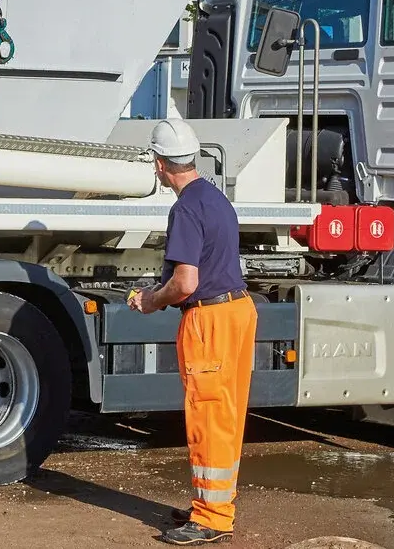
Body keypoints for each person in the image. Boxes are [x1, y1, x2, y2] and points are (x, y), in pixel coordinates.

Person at [129, 119, 257, 546]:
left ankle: (212, 517)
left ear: (159, 164)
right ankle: (215, 504)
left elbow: (185, 282)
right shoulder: (216, 198)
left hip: (209, 320)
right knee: (227, 415)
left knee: (209, 416)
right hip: (237, 310)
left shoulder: (185, 208)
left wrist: (152, 299)